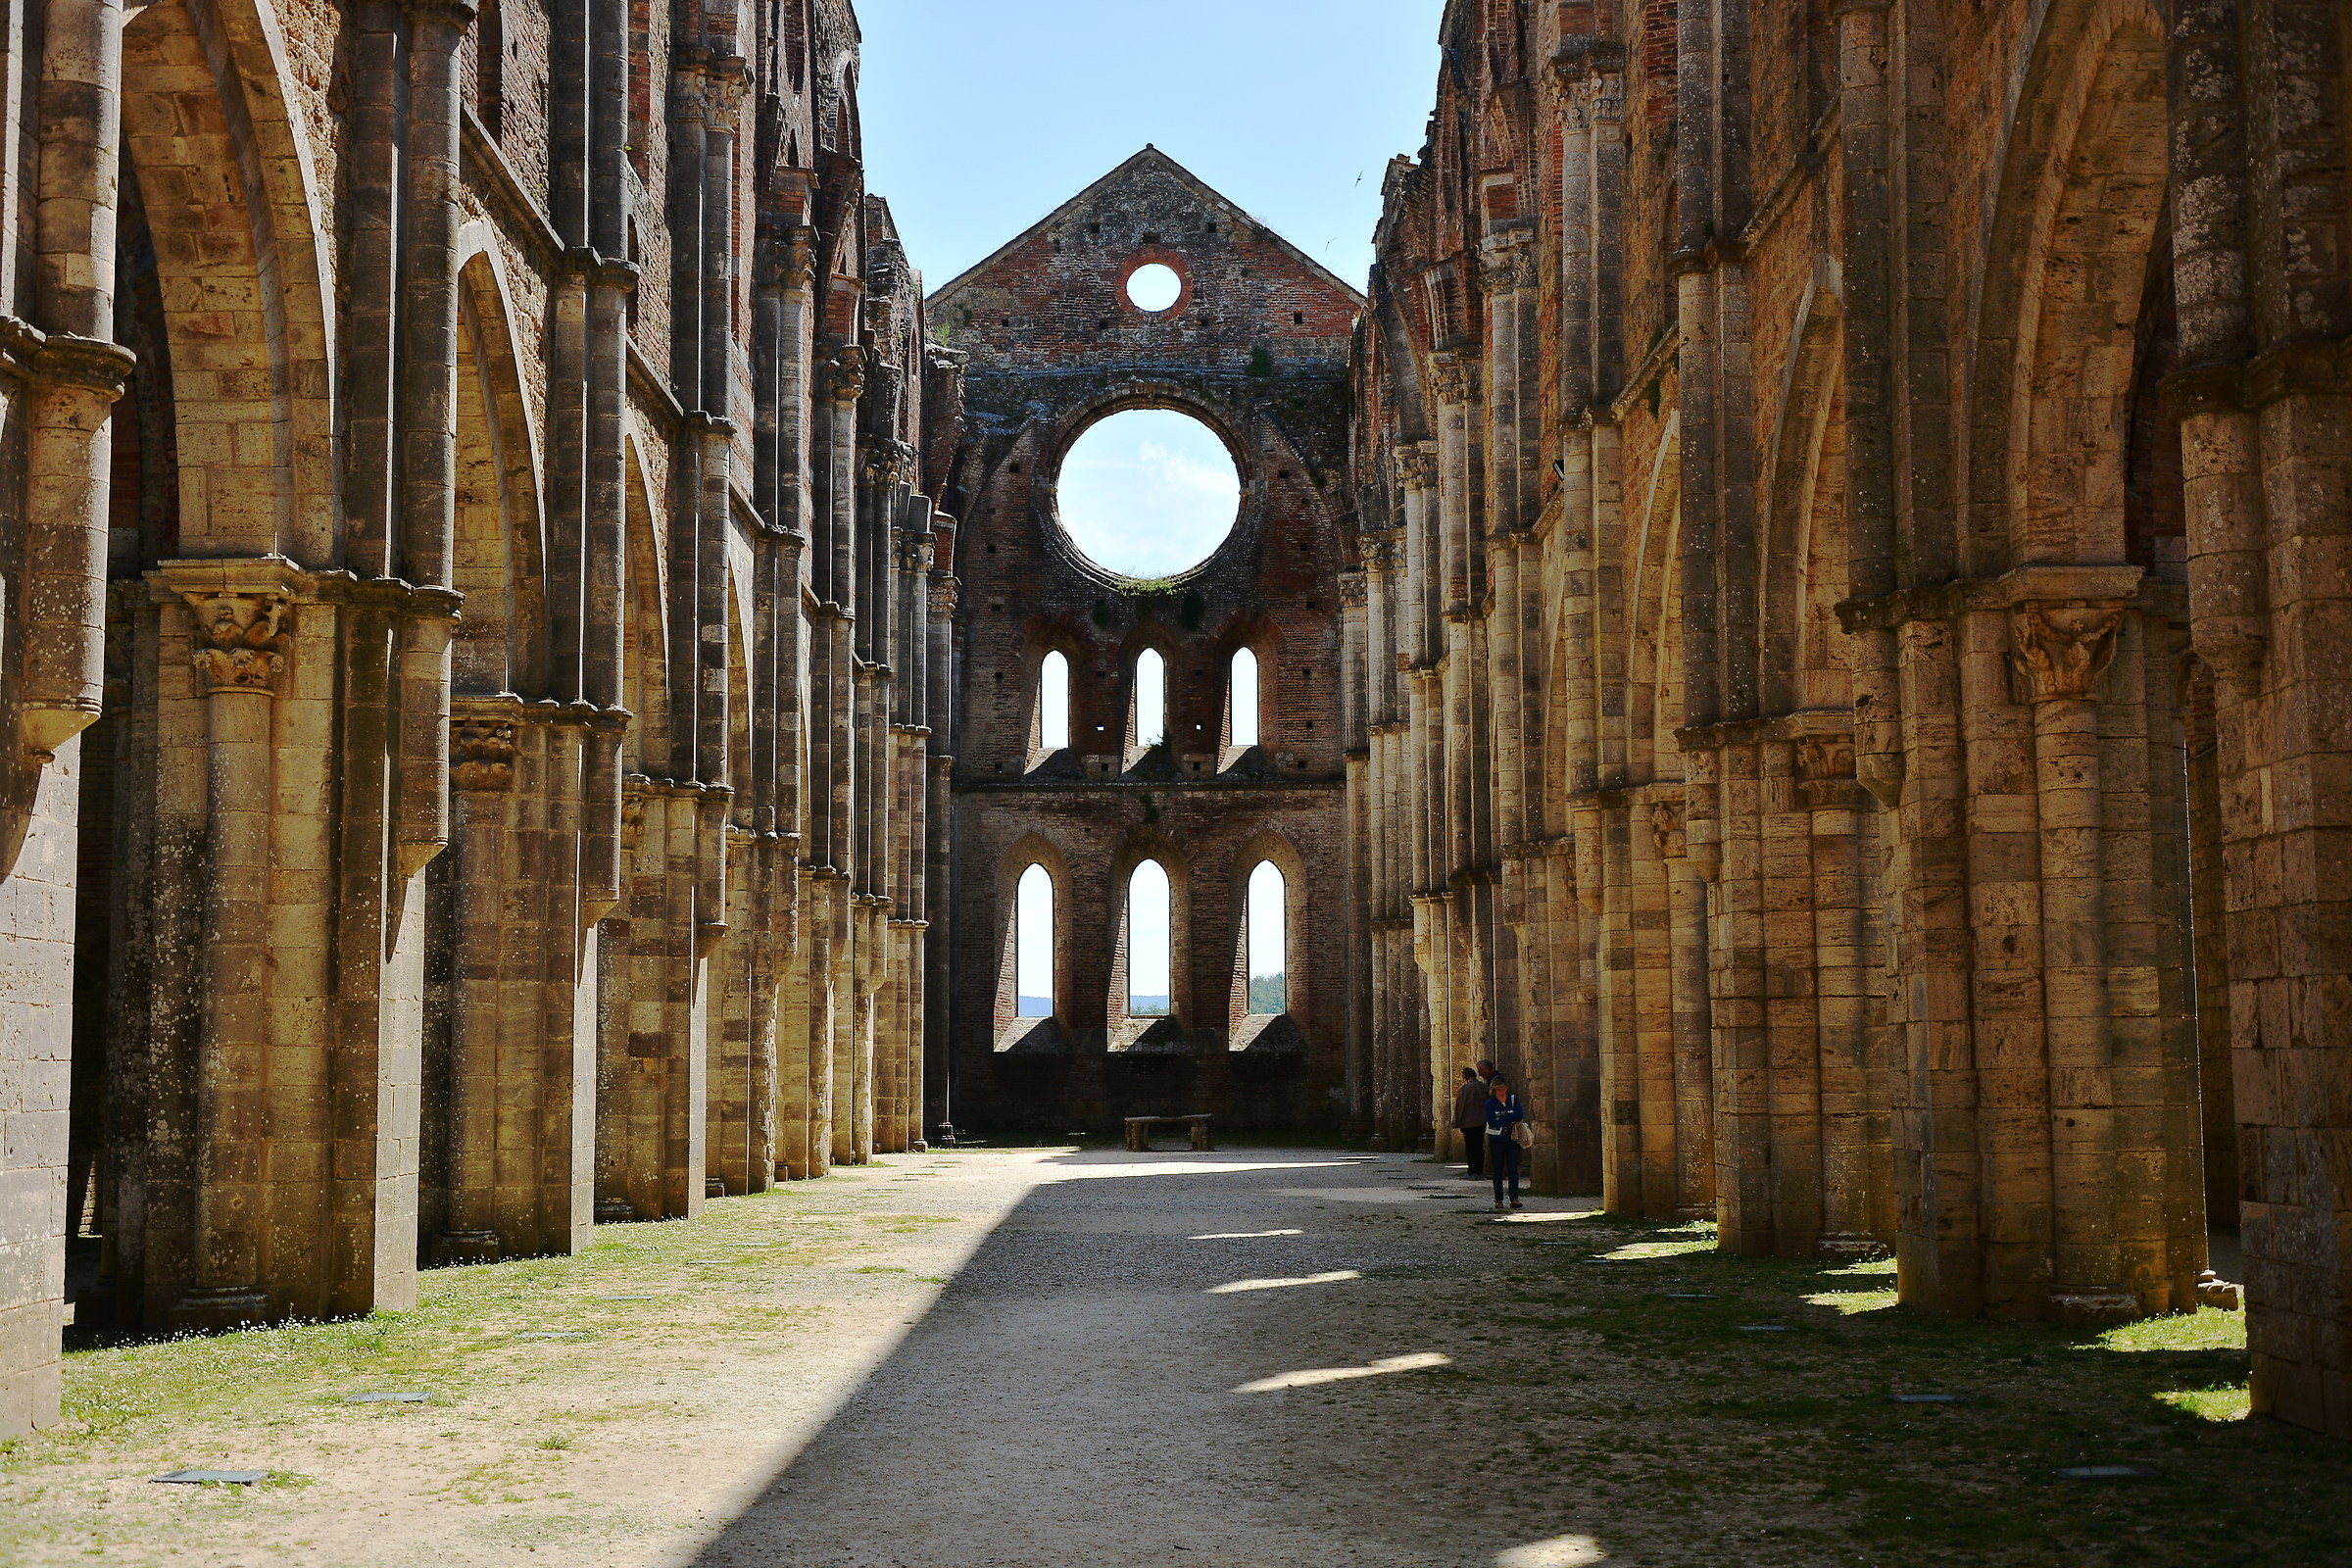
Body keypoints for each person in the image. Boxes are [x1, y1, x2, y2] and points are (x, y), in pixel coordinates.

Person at [1485, 1075, 1527, 1211]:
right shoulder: (1490, 1103)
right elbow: (1491, 1120)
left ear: (1506, 1088)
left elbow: (1519, 1115)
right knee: (1498, 1169)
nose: (1501, 1092)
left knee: (1513, 1168)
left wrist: (1502, 1118)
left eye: (1503, 1089)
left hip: (1511, 1138)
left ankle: (1514, 1198)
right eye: (1498, 1090)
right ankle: (1499, 1199)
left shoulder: (1513, 1100)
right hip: (1496, 1139)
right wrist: (1509, 1119)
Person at [1450, 1066, 1488, 1179]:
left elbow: (1460, 1106)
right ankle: (1480, 1171)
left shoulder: (1465, 1089)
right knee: (1479, 1147)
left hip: (1469, 1123)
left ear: (1465, 1077)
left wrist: (1457, 1122)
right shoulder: (1484, 1087)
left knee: (1471, 1148)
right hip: (1481, 1121)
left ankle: (1472, 1171)